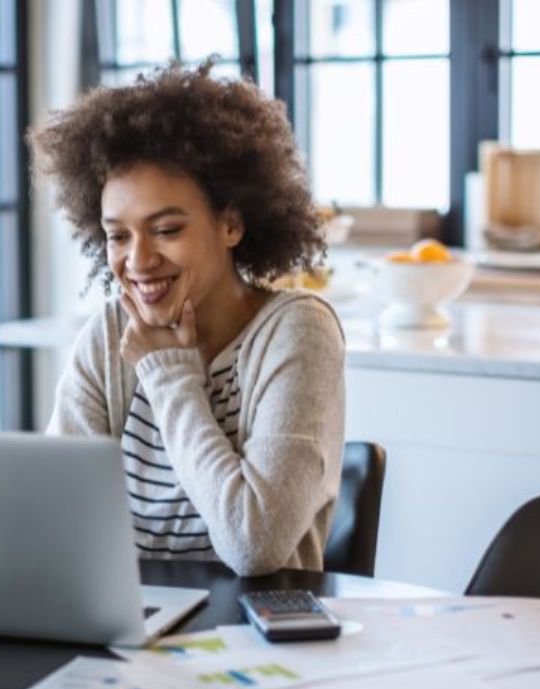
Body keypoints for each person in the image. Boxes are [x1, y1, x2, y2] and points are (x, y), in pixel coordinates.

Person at [30, 62, 345, 577]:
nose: (138, 259)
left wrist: (169, 375)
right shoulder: (110, 334)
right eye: (118, 235)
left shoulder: (298, 331)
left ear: (231, 223)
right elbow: (52, 517)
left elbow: (255, 545)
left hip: (250, 634)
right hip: (126, 623)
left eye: (167, 229)